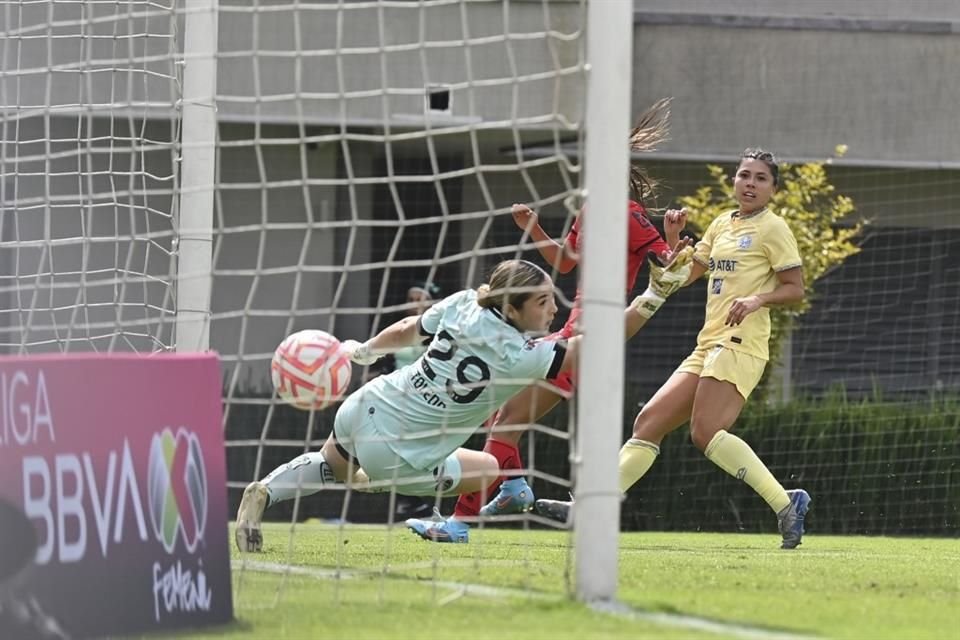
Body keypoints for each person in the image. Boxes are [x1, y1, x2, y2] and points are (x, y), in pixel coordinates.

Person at [235, 252, 692, 551]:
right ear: (512, 310)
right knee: (488, 471)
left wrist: (364, 351)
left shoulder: (462, 303)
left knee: (327, 464)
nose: (551, 309)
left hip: (366, 403)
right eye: (540, 303)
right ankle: (392, 495)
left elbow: (406, 330)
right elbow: (595, 347)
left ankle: (267, 492)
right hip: (398, 450)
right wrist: (654, 296)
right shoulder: (520, 356)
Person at [536, 148, 812, 549]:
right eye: (744, 175)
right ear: (734, 181)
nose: (749, 183)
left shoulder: (773, 229)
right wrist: (669, 239)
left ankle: (785, 504)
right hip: (709, 342)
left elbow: (795, 288)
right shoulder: (721, 225)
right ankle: (588, 508)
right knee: (648, 422)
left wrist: (756, 300)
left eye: (760, 178)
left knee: (705, 432)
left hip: (741, 343)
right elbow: (681, 276)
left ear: (773, 188)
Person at [437, 98, 687, 534]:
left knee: (507, 423)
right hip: (570, 331)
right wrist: (533, 228)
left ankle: (462, 520)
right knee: (500, 416)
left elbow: (667, 265)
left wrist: (671, 240)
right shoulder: (590, 211)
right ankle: (513, 488)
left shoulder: (629, 214)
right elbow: (567, 260)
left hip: (590, 339)